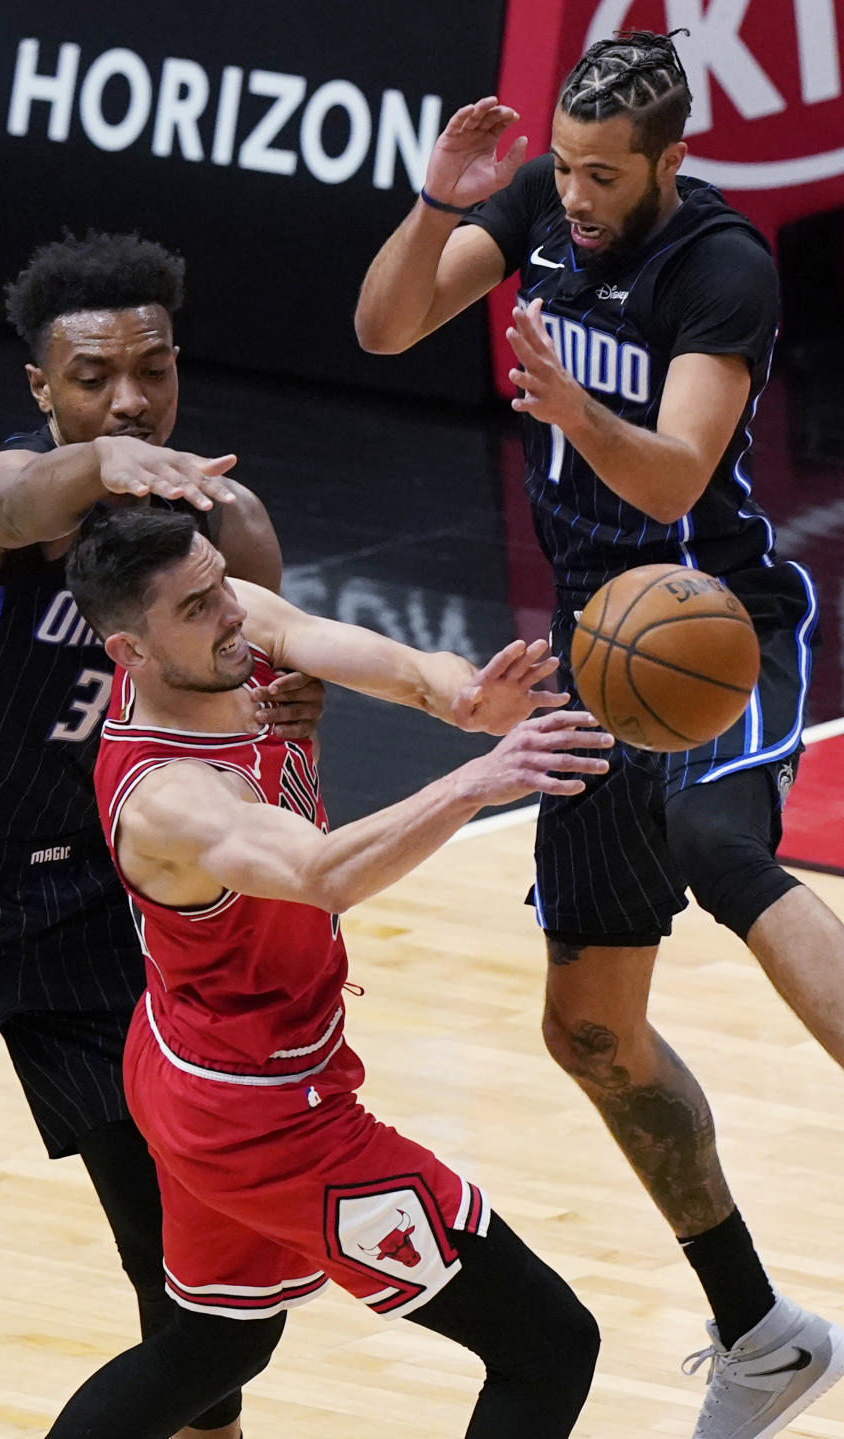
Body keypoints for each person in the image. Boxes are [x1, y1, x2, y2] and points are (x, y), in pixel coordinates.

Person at [354, 27, 844, 1439]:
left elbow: (681, 463)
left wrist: (575, 406)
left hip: (712, 621)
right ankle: (762, 1330)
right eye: (562, 169)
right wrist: (448, 199)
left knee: (712, 832)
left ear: (670, 164)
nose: (573, 196)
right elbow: (385, 324)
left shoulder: (721, 265)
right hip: (591, 645)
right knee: (590, 1028)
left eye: (602, 176)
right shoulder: (536, 203)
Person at [41, 503, 612, 1438]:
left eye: (221, 581)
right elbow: (324, 873)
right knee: (550, 1344)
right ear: (128, 650)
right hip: (265, 1118)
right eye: (198, 605)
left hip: (192, 1064)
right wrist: (475, 780)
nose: (232, 611)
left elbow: (369, 656)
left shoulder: (221, 627)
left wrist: (463, 696)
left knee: (213, 1346)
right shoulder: (173, 796)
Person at [0, 231, 324, 1439]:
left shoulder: (221, 531)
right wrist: (108, 462)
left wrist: (295, 702)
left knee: (186, 1254)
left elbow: (274, 687)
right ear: (41, 387)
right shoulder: (0, 501)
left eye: (152, 370)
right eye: (92, 378)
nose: (129, 399)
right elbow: (18, 498)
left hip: (89, 910)